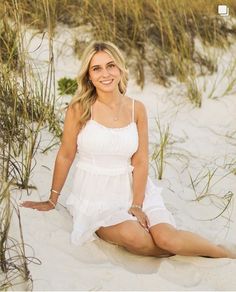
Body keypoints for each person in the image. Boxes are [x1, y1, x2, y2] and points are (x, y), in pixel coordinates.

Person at [21, 41, 235, 259]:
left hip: (134, 189)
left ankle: (223, 253)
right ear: (89, 76)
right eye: (97, 68)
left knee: (167, 238)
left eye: (111, 65)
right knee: (136, 238)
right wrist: (52, 199)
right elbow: (66, 155)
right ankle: (181, 249)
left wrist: (137, 204)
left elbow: (140, 160)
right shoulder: (79, 109)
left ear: (120, 69)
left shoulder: (137, 109)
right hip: (95, 196)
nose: (105, 73)